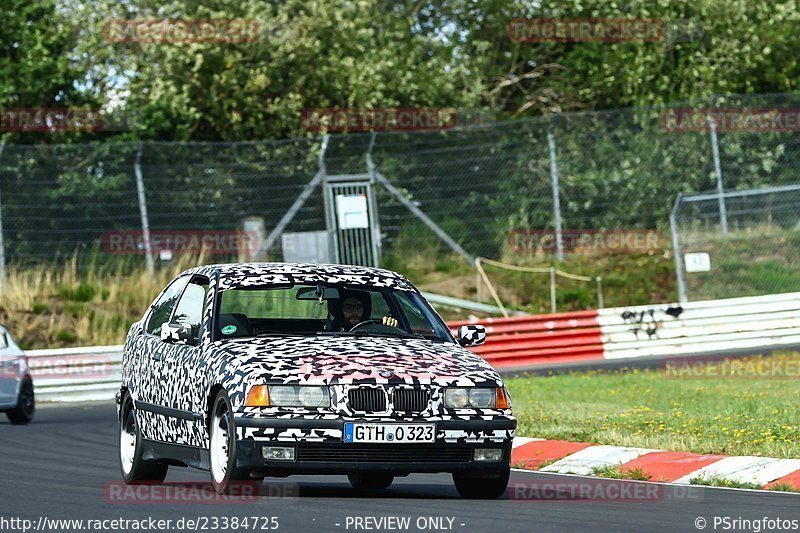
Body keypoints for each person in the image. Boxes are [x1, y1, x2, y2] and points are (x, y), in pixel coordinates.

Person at [331, 290, 398, 331]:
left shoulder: (375, 333)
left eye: (359, 307)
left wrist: (389, 328)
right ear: (340, 310)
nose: (355, 312)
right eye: (349, 308)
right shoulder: (329, 335)